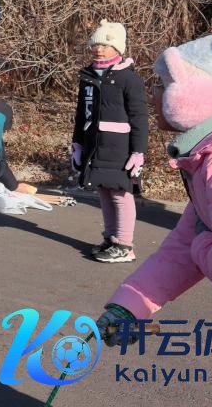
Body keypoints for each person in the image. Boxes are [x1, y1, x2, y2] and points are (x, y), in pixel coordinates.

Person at [96, 31, 212, 406]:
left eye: (163, 84)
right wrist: (130, 304)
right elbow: (183, 246)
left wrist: (201, 243)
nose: (153, 94)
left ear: (193, 95)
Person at [71, 19, 148, 263]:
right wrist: (78, 143)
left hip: (120, 149)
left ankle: (125, 245)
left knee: (120, 194)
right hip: (95, 145)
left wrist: (139, 151)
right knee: (103, 191)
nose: (99, 49)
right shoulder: (88, 77)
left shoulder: (129, 79)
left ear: (117, 48)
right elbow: (81, 113)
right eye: (95, 45)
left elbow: (139, 117)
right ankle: (111, 239)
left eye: (105, 45)